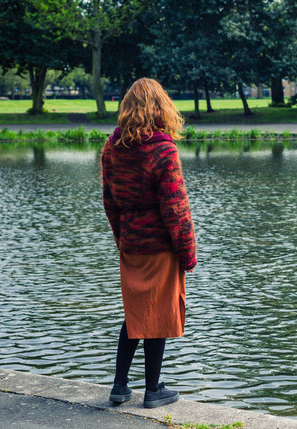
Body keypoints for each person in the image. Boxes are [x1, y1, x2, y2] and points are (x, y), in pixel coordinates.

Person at [101, 78, 197, 409]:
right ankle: (153, 390)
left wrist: (121, 238)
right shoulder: (162, 148)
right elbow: (176, 207)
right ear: (161, 107)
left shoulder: (112, 147)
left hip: (131, 244)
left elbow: (109, 201)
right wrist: (188, 252)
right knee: (156, 314)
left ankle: (119, 386)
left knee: (135, 314)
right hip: (159, 246)